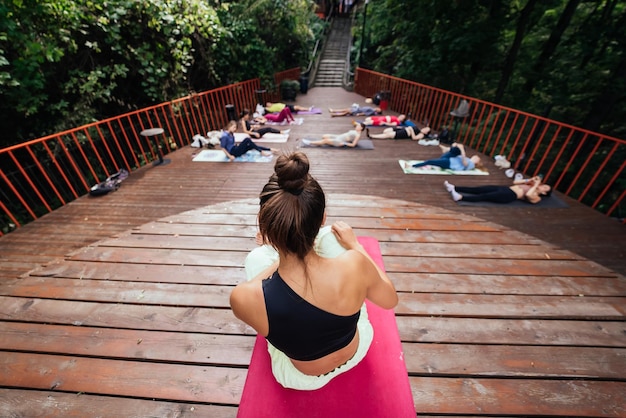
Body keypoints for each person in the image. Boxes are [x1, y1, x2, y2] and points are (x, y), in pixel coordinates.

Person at [230, 152, 398, 390]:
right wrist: (356, 247)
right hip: (356, 350)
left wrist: (276, 245)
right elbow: (389, 300)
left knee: (256, 258)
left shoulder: (242, 297)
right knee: (332, 237)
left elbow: (264, 288)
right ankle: (301, 242)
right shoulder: (356, 263)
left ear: (263, 223)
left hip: (300, 378)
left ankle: (287, 244)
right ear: (322, 219)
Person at [444, 176, 552, 204]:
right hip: (507, 189)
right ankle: (454, 187)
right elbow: (515, 182)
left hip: (510, 196)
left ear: (544, 192)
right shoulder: (531, 184)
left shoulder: (537, 197)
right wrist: (531, 179)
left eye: (545, 187)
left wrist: (535, 186)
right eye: (544, 185)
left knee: (486, 196)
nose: (543, 186)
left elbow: (528, 195)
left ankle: (461, 198)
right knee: (480, 189)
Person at [408, 143, 485, 172]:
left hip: (449, 163)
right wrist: (456, 147)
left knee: (429, 161)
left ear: (477, 162)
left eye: (477, 158)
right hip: (450, 158)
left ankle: (413, 166)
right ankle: (448, 149)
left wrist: (462, 151)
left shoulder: (471, 165)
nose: (476, 156)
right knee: (459, 148)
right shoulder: (469, 159)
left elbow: (465, 164)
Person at [301, 122, 365, 147]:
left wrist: (345, 144)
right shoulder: (356, 131)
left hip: (340, 141)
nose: (356, 126)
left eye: (358, 126)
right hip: (338, 136)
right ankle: (323, 142)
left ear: (361, 128)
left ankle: (309, 142)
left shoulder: (358, 135)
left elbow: (353, 145)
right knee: (324, 136)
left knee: (325, 140)